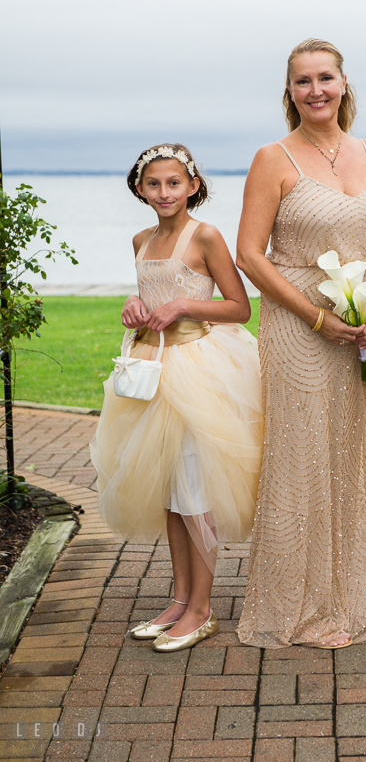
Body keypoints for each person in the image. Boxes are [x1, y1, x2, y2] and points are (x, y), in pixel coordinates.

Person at [236, 39, 366, 649]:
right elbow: (250, 254)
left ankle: (347, 595)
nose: (315, 90)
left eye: (324, 78)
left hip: (357, 326)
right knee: (302, 460)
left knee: (348, 455)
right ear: (290, 92)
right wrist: (315, 317)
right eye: (302, 82)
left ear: (344, 82)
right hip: (297, 326)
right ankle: (298, 608)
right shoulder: (273, 158)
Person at [90, 143, 263, 652]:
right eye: (153, 184)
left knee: (193, 492)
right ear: (140, 188)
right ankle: (181, 596)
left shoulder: (204, 236)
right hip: (152, 369)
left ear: (192, 186)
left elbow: (239, 307)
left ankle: (203, 609)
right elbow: (151, 293)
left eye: (173, 183)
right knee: (169, 491)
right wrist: (135, 304)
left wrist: (187, 304)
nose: (164, 192)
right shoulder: (142, 238)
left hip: (198, 370)